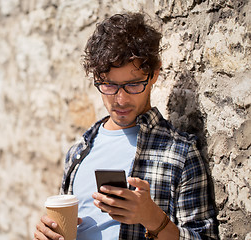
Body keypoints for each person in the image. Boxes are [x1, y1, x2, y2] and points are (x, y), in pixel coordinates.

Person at [34, 12, 219, 240]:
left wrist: (152, 218)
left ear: (154, 74)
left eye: (132, 85)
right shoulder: (78, 152)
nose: (120, 100)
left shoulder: (181, 154)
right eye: (109, 85)